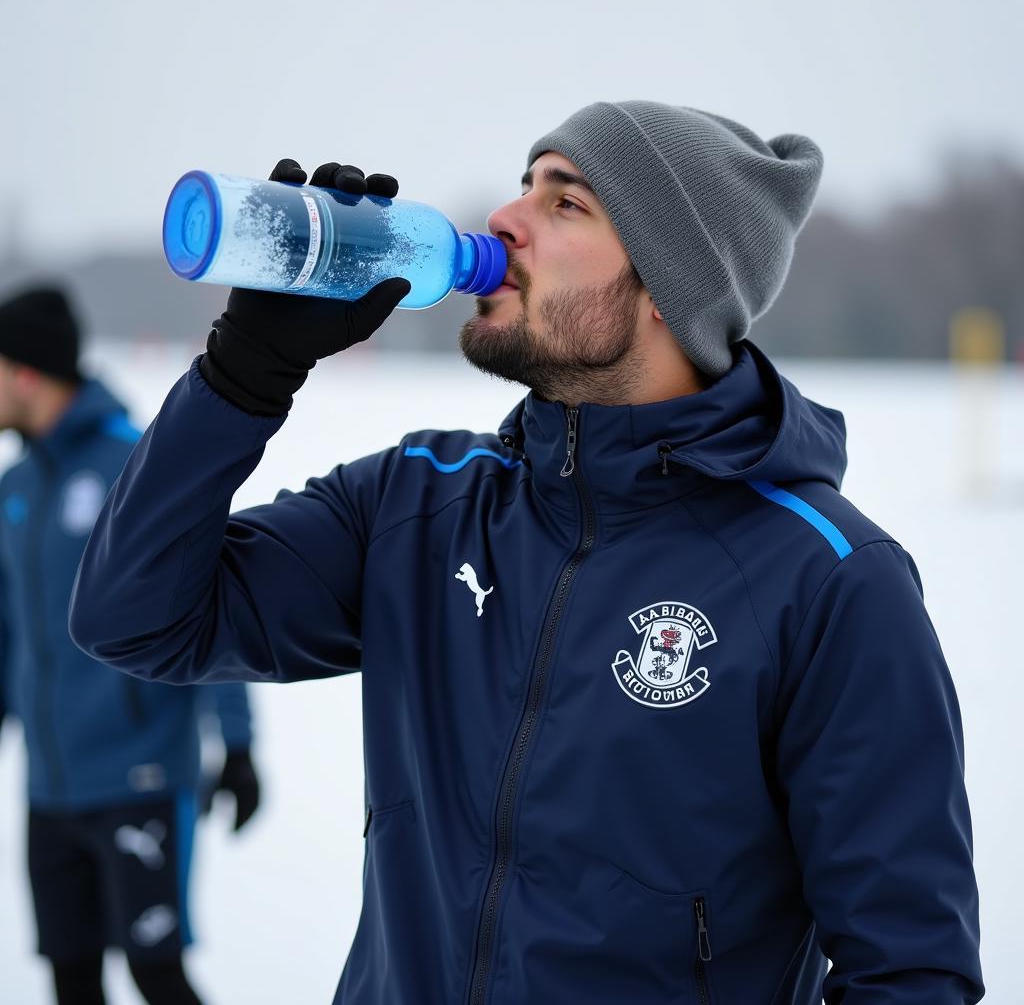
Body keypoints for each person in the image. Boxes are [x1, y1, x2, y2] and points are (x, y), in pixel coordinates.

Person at [70, 103, 983, 1004]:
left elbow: (910, 971)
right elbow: (137, 619)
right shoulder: (418, 504)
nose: (504, 221)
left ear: (671, 286)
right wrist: (244, 371)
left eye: (565, 203)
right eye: (522, 187)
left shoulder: (827, 578)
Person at [0, 286, 261, 1005]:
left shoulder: (131, 466)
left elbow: (203, 601)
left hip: (137, 777)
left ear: (25, 373)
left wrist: (235, 747)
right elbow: (6, 628)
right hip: (49, 788)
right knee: (71, 977)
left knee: (157, 976)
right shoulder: (15, 486)